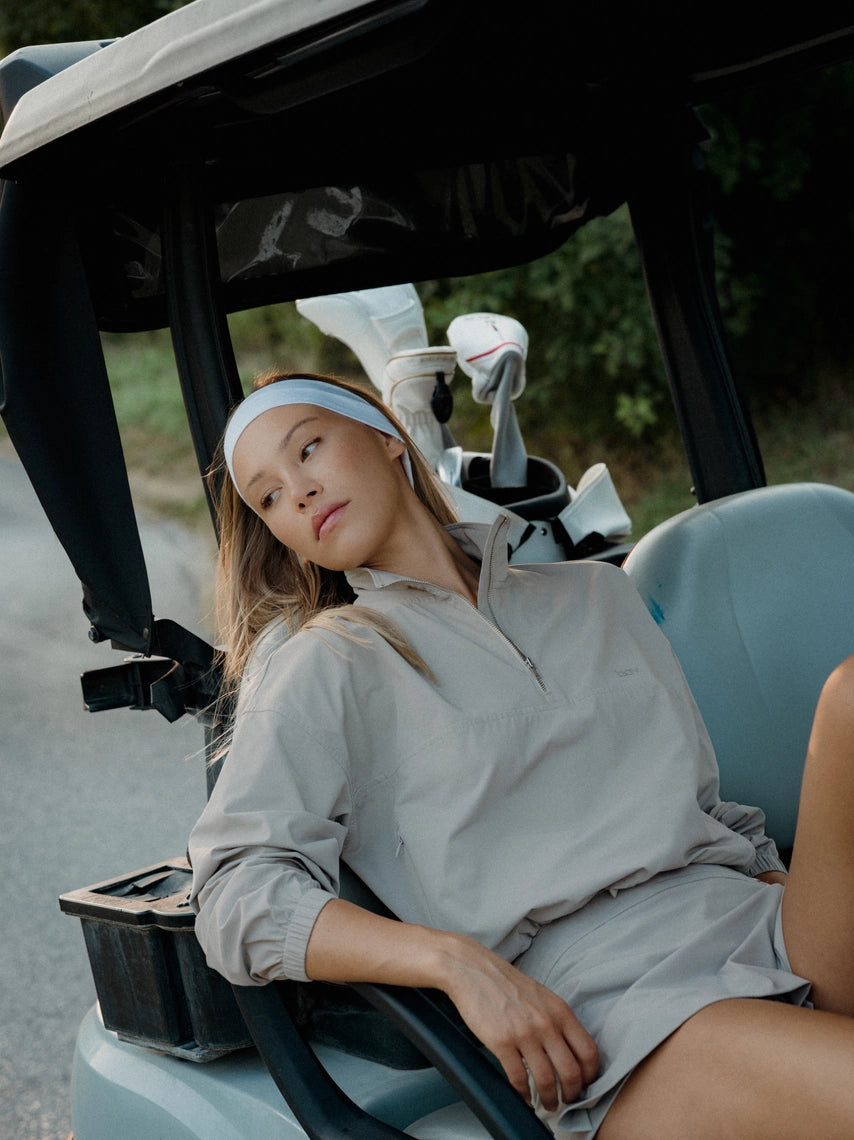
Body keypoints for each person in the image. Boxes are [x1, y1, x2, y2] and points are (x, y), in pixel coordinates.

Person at [189, 371, 854, 1139]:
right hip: (618, 1013)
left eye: (308, 450)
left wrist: (795, 900)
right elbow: (237, 892)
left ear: (385, 439)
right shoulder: (327, 665)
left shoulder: (596, 596)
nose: (298, 494)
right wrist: (453, 964)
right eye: (268, 498)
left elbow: (710, 811)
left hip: (763, 924)